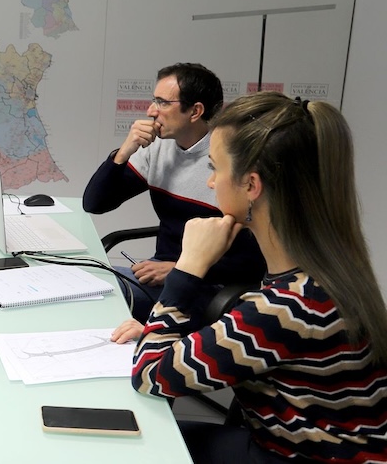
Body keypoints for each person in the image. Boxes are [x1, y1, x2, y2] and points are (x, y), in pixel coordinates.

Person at [128, 92, 387, 463]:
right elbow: (260, 341)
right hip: (332, 446)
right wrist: (166, 333)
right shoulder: (329, 272)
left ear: (251, 185)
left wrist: (188, 267)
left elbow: (151, 375)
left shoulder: (286, 306)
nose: (211, 183)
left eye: (215, 168)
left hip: (296, 455)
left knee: (139, 446)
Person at [83, 63, 263, 319]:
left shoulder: (229, 160)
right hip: (164, 274)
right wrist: (123, 152)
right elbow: (95, 203)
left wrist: (180, 268)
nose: (150, 111)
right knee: (81, 282)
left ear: (195, 111)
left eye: (163, 103)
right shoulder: (159, 148)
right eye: (154, 100)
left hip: (211, 285)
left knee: (96, 297)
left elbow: (253, 259)